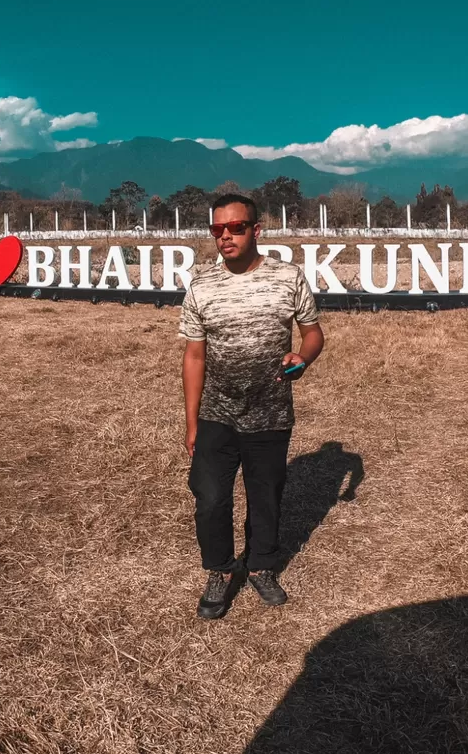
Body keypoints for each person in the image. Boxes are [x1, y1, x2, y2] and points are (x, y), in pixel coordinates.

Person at [180, 193, 324, 619]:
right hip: (216, 414)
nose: (225, 236)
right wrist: (191, 423)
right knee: (209, 498)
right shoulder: (202, 284)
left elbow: (314, 334)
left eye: (236, 227)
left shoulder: (288, 277)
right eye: (217, 229)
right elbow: (194, 356)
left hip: (271, 412)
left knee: (266, 496)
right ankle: (221, 571)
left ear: (256, 230)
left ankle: (261, 565)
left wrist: (304, 356)